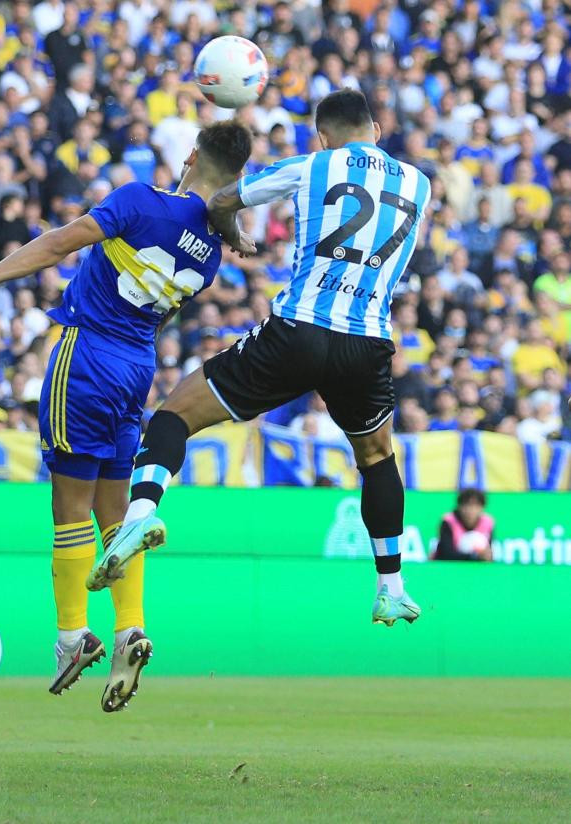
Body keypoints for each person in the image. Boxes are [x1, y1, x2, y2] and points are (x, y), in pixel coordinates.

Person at [0, 120, 252, 711]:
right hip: (138, 367)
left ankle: (71, 634)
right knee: (116, 511)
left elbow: (59, 242)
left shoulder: (138, 200)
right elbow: (215, 212)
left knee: (68, 506)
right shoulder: (209, 251)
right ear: (237, 178)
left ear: (189, 155)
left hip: (87, 354)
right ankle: (129, 627)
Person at [97, 89, 431, 628]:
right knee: (376, 458)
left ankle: (140, 514)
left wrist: (235, 235)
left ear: (323, 135)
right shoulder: (420, 182)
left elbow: (222, 200)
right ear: (376, 128)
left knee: (175, 413)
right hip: (367, 340)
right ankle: (390, 586)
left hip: (297, 329)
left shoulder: (312, 164)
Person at [433, 489, 494, 561]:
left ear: (482, 508)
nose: (470, 510)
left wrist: (486, 556)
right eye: (466, 505)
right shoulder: (449, 521)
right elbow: (446, 554)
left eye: (475, 506)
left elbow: (488, 553)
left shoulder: (487, 523)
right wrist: (474, 556)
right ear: (459, 506)